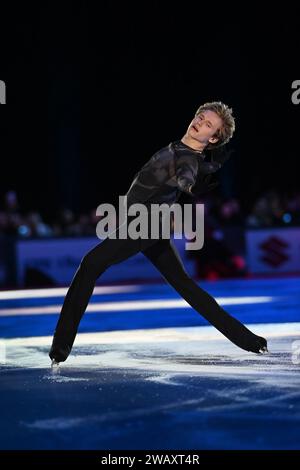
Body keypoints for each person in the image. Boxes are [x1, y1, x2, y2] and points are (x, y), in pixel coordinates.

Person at [49, 101, 268, 365]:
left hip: (147, 225)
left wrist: (193, 186)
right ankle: (249, 340)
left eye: (208, 124)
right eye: (201, 116)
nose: (199, 122)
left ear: (213, 137)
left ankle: (59, 350)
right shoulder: (181, 148)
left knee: (90, 264)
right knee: (185, 285)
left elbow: (187, 179)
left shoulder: (187, 159)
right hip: (148, 222)